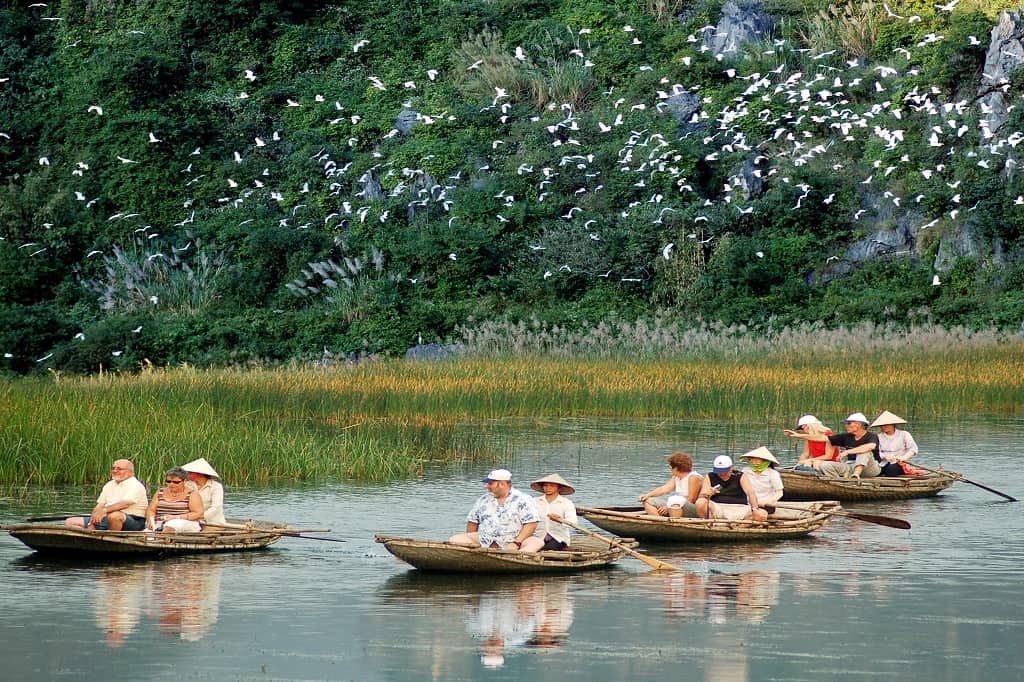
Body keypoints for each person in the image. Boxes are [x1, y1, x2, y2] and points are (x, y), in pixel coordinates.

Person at [448, 469, 544, 552]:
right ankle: (477, 555)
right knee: (455, 539)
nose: (488, 486)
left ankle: (516, 557)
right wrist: (471, 542)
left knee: (536, 542)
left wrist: (516, 543)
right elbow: (473, 521)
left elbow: (531, 524)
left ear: (501, 484)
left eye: (491, 483)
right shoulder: (483, 499)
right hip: (486, 540)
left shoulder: (523, 499)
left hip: (515, 541)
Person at [785, 412, 881, 479]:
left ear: (859, 424)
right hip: (851, 465)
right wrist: (798, 435)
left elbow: (870, 447)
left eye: (848, 423)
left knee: (864, 452)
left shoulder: (871, 436)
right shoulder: (846, 436)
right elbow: (824, 438)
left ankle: (856, 475)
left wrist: (847, 451)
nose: (846, 426)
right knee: (824, 465)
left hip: (871, 468)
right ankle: (838, 482)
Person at [65, 459, 148, 531]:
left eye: (119, 469)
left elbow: (125, 503)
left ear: (130, 472)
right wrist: (92, 522)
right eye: (113, 468)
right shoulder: (109, 485)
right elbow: (100, 505)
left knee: (114, 516)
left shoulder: (135, 485)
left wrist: (104, 510)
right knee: (70, 522)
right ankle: (91, 538)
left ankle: (113, 540)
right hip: (106, 517)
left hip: (133, 520)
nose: (115, 471)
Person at [695, 455, 766, 522]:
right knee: (700, 502)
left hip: (739, 508)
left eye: (725, 472)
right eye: (719, 472)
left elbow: (750, 493)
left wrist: (754, 509)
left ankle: (738, 526)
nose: (722, 474)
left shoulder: (740, 476)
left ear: (731, 467)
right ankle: (711, 522)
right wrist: (708, 494)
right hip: (718, 506)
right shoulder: (710, 476)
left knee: (762, 514)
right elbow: (702, 496)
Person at [638, 451, 701, 517]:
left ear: (676, 468)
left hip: (692, 508)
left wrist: (669, 506)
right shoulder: (676, 477)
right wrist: (647, 495)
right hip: (676, 504)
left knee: (675, 502)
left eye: (671, 467)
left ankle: (675, 522)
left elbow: (692, 499)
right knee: (648, 501)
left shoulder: (693, 477)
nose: (670, 469)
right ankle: (660, 522)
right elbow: (664, 489)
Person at [145, 467, 205, 532]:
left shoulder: (192, 494)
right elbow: (151, 509)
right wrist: (150, 520)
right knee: (145, 535)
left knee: (170, 527)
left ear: (184, 481)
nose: (171, 484)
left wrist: (176, 517)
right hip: (160, 523)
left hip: (185, 522)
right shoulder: (160, 492)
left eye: (176, 482)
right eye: (168, 481)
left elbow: (198, 513)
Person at [529, 473, 578, 550]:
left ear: (559, 488)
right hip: (537, 536)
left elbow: (573, 521)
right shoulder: (534, 501)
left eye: (552, 486)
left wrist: (560, 520)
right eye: (545, 485)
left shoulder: (566, 503)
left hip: (558, 537)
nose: (548, 488)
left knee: (549, 549)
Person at [871, 410, 919, 476]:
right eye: (881, 425)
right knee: (876, 471)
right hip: (883, 463)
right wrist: (885, 456)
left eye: (885, 425)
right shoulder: (878, 437)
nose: (883, 427)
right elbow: (876, 452)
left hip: (900, 463)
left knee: (891, 470)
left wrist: (903, 457)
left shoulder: (904, 434)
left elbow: (913, 448)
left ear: (892, 424)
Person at [182, 457, 226, 525]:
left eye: (191, 473)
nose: (188, 474)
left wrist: (200, 516)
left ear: (199, 474)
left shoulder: (216, 486)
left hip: (213, 522)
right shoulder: (187, 485)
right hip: (191, 521)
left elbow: (215, 508)